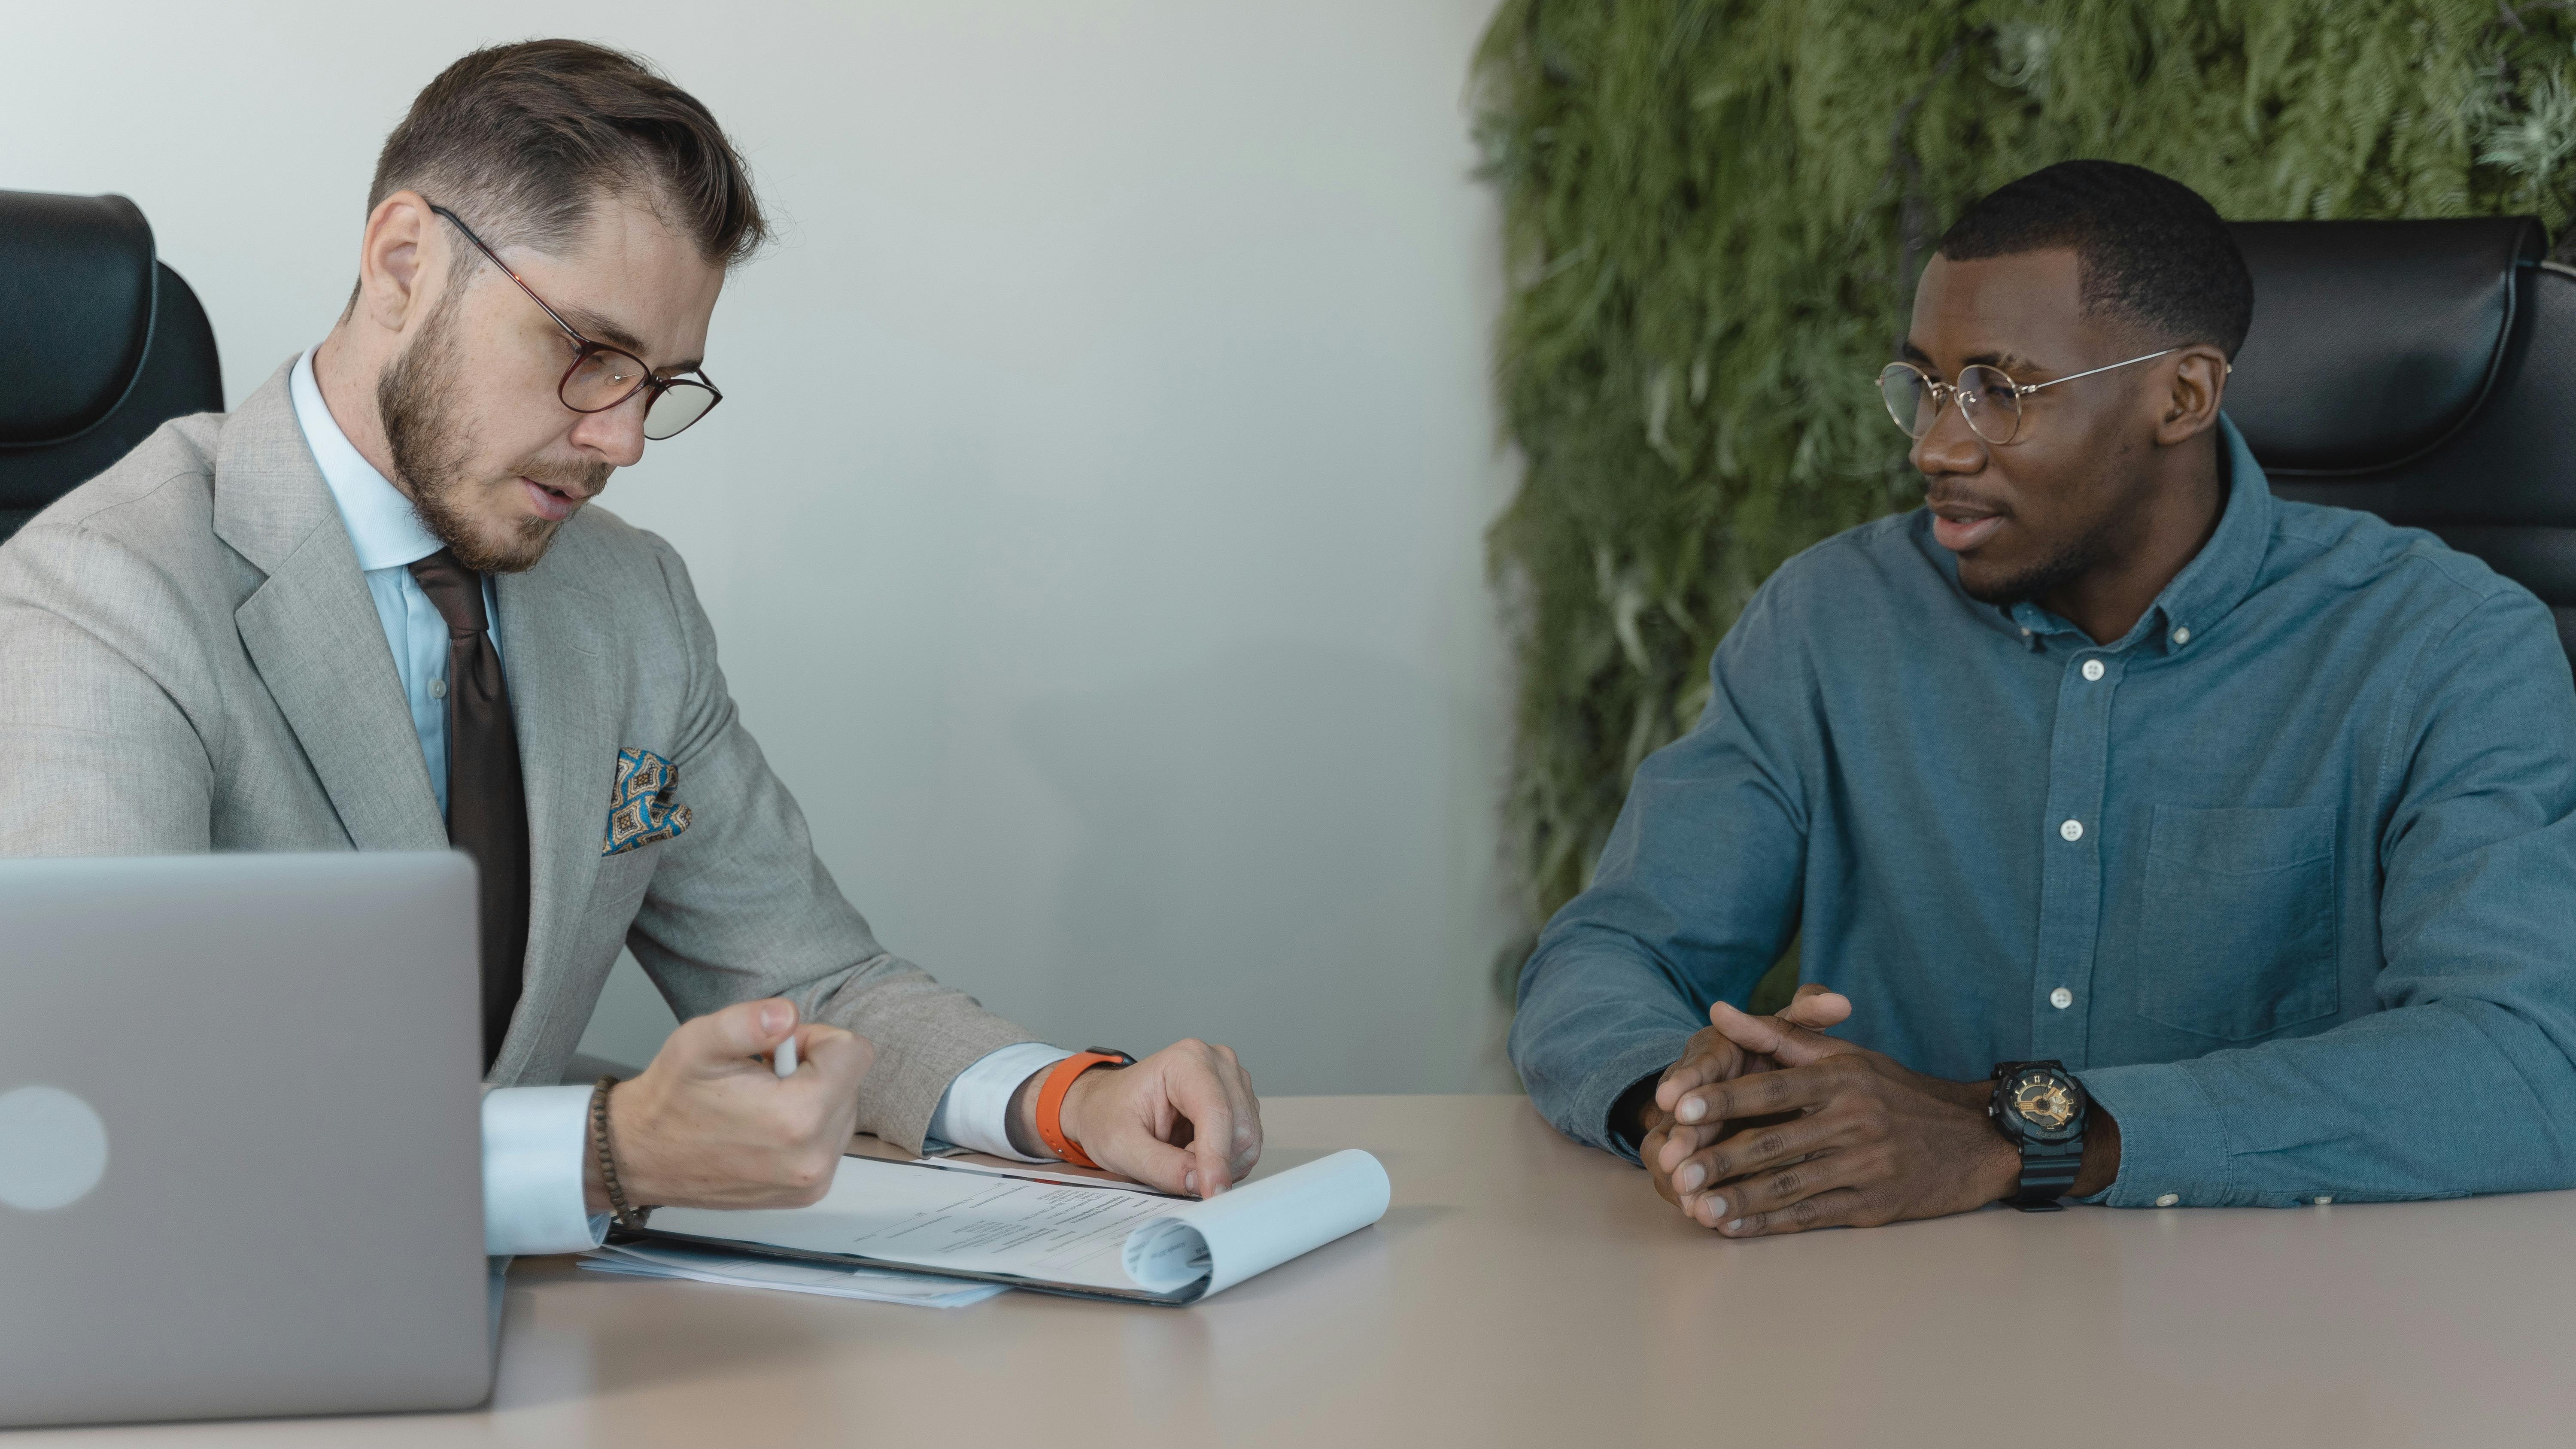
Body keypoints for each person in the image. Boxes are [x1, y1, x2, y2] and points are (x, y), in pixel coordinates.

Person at [0, 40, 1259, 1254]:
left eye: (657, 384)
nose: (622, 444)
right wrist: (608, 1154)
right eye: (590, 355)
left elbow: (817, 982)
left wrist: (1067, 1102)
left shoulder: (631, 601)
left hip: (554, 1343)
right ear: (402, 263)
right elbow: (113, 1117)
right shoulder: (100, 593)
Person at [1509, 159, 2576, 1236]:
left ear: (2183, 395)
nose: (1937, 443)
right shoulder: (1832, 620)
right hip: (1885, 1309)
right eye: (1923, 384)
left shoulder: (2445, 646)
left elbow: (2528, 1060)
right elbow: (1609, 955)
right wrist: (1698, 1103)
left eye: (1999, 392)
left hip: (2281, 1328)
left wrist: (2006, 1130)